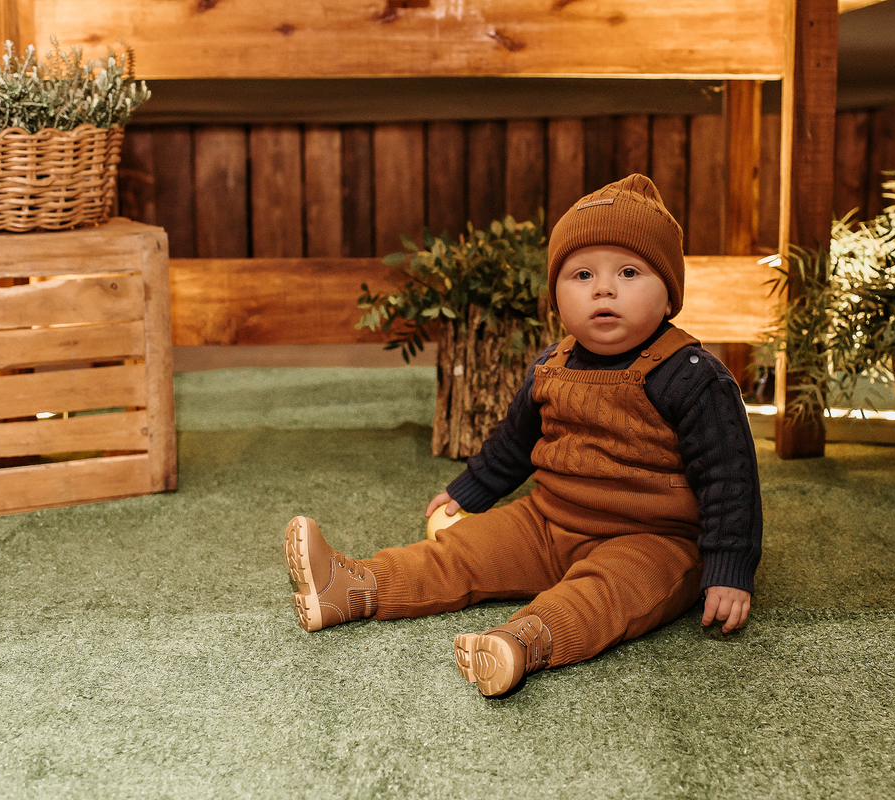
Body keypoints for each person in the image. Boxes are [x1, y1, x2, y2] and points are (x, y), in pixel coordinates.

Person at [284, 173, 761, 697]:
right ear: (555, 297)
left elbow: (730, 478)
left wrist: (729, 567)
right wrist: (471, 489)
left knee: (607, 594)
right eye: (582, 274)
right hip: (550, 519)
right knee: (462, 551)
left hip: (655, 540)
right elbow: (514, 442)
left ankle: (522, 642)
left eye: (628, 272)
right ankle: (355, 585)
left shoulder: (692, 376)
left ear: (669, 296)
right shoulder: (550, 365)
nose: (603, 289)